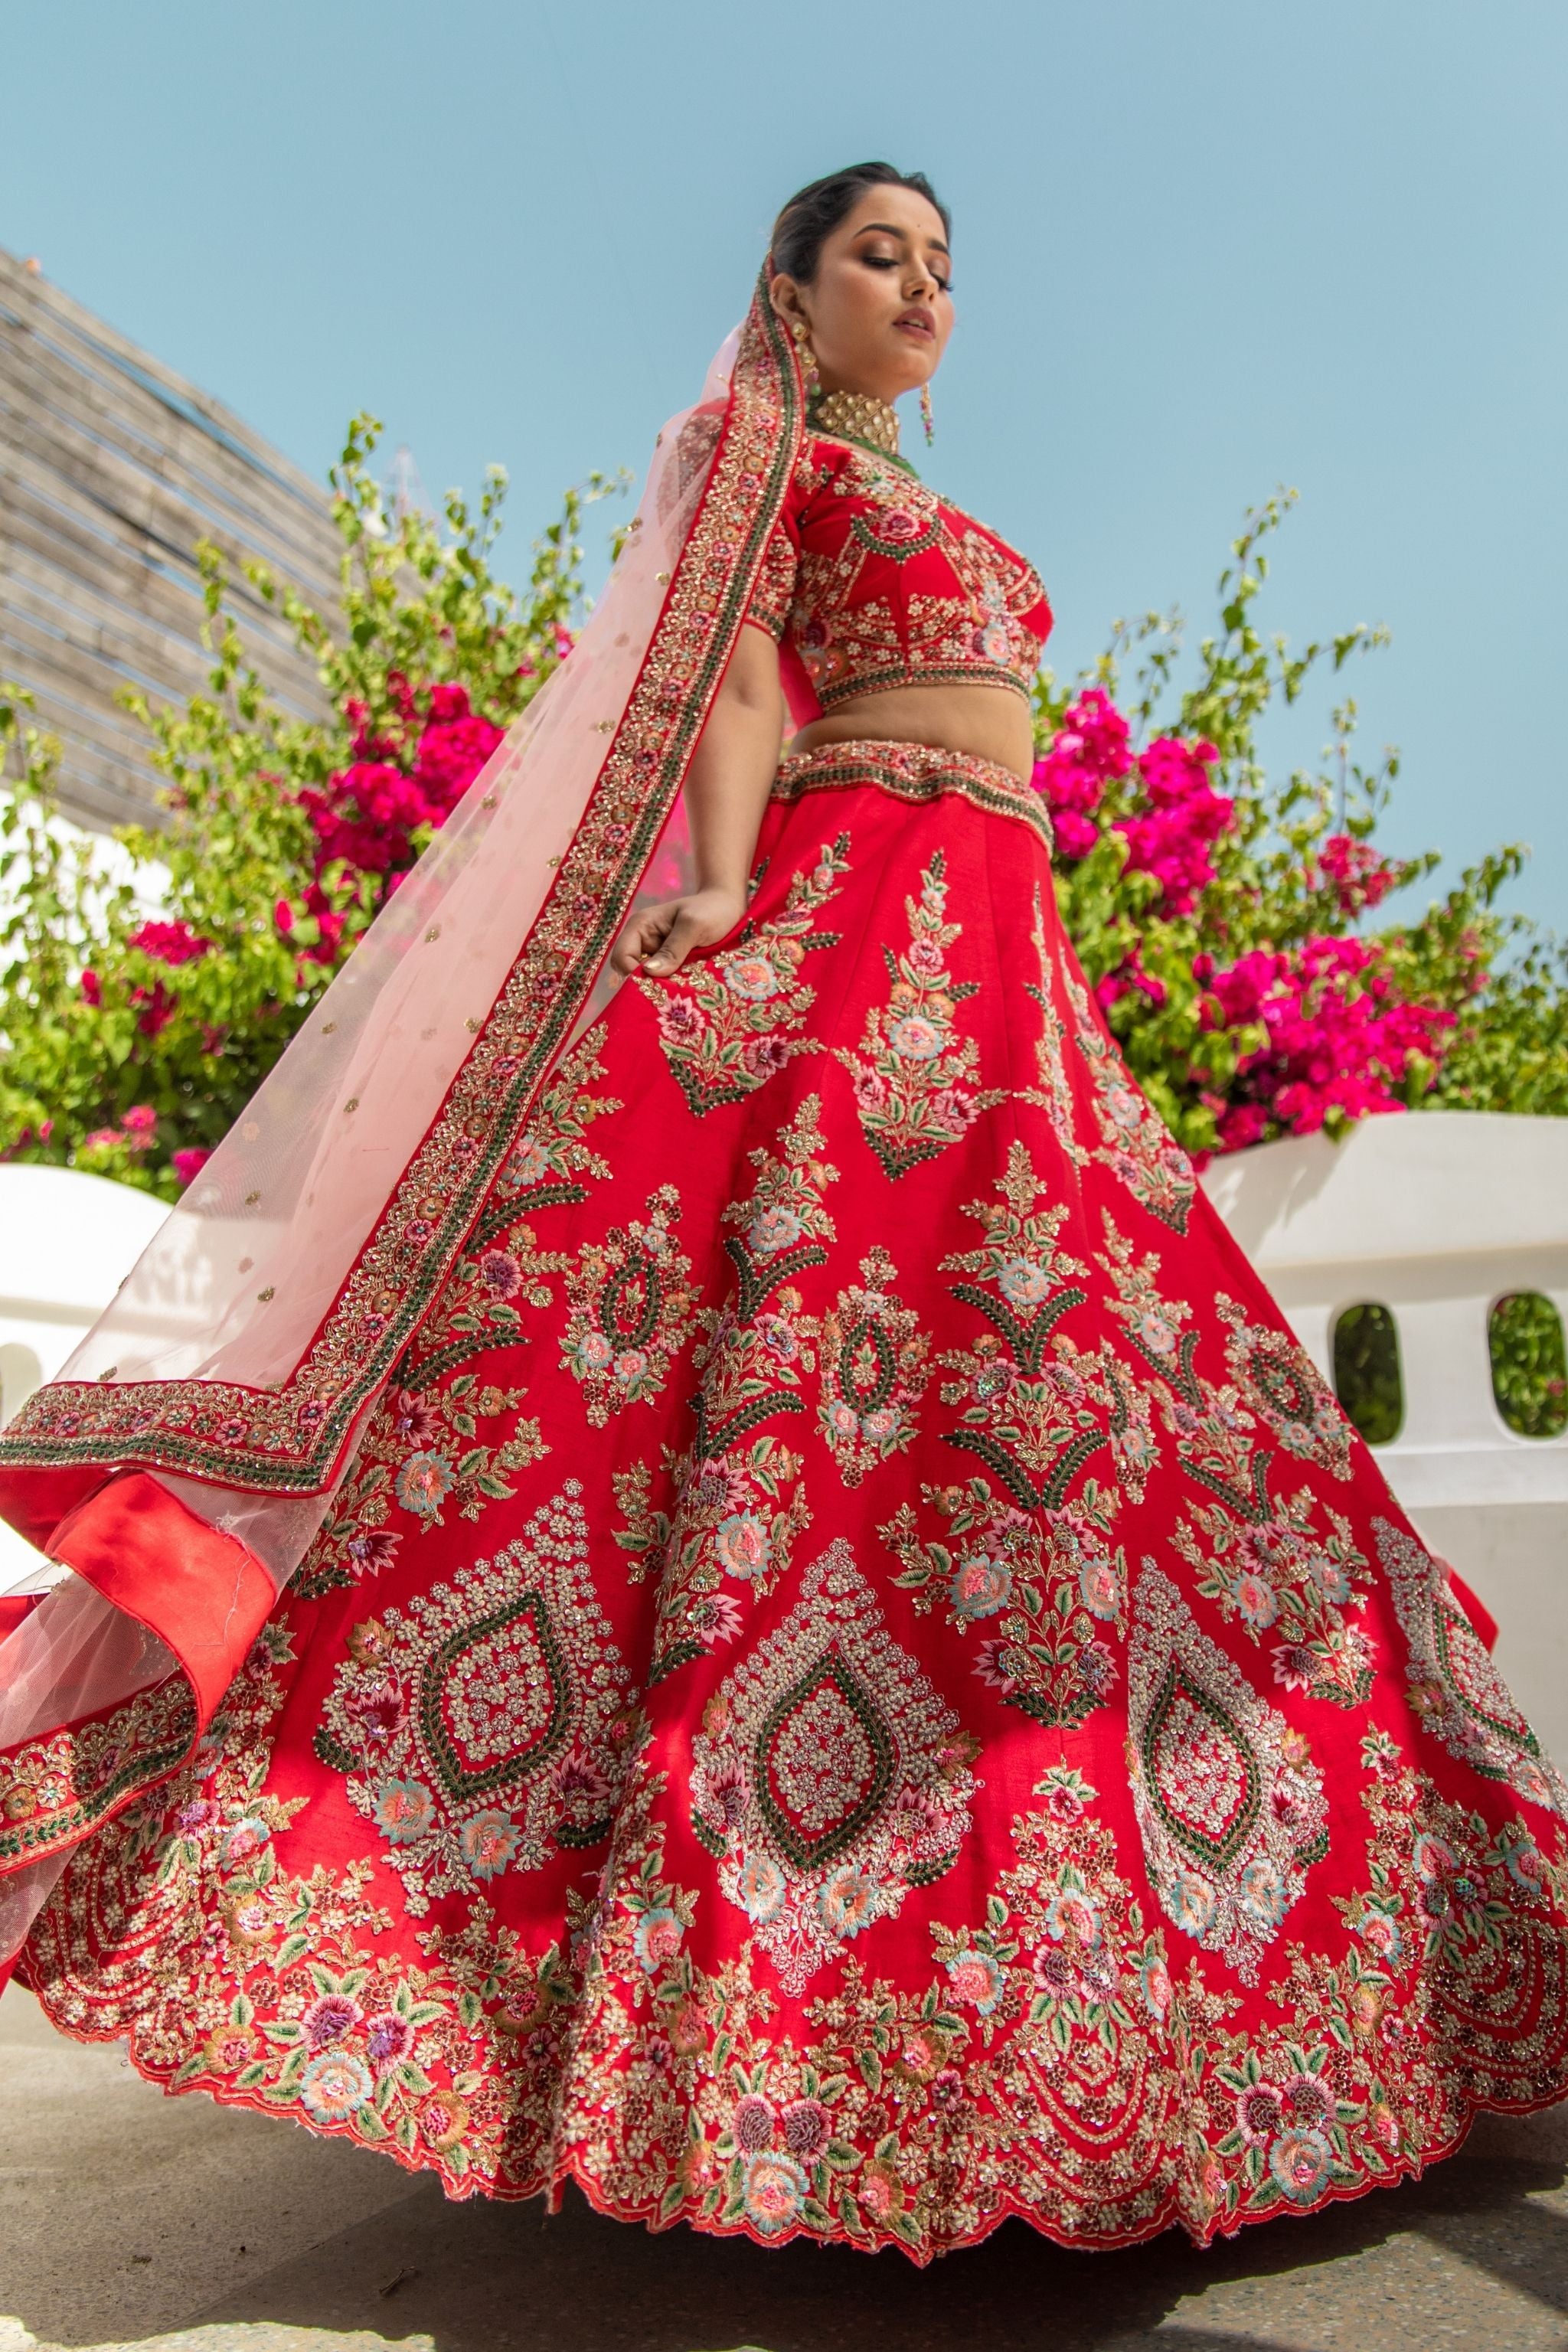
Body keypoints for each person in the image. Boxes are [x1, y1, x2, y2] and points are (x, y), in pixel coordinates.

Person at [2, 162, 1566, 2262]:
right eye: (878, 255)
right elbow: (735, 675)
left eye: (943, 267)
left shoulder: (930, 497)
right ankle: (697, 2040)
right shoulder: (752, 450)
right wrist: (729, 894)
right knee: (795, 1395)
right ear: (792, 285)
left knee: (1106, 1415)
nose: (921, 290)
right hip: (864, 919)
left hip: (1011, 964)